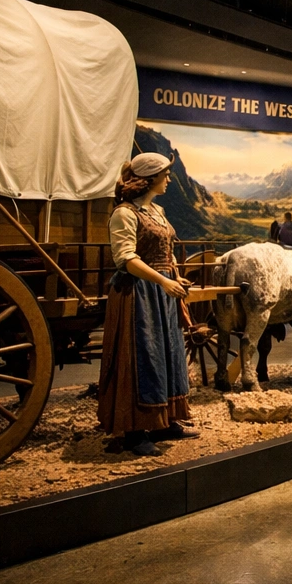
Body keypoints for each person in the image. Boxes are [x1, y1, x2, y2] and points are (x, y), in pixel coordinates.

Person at [97, 152, 199, 456]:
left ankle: (164, 421)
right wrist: (163, 281)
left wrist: (176, 278)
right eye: (165, 174)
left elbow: (166, 252)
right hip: (137, 295)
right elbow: (126, 258)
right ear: (150, 178)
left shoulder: (157, 210)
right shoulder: (125, 213)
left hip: (162, 293)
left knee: (168, 352)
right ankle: (135, 430)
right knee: (142, 355)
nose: (168, 179)